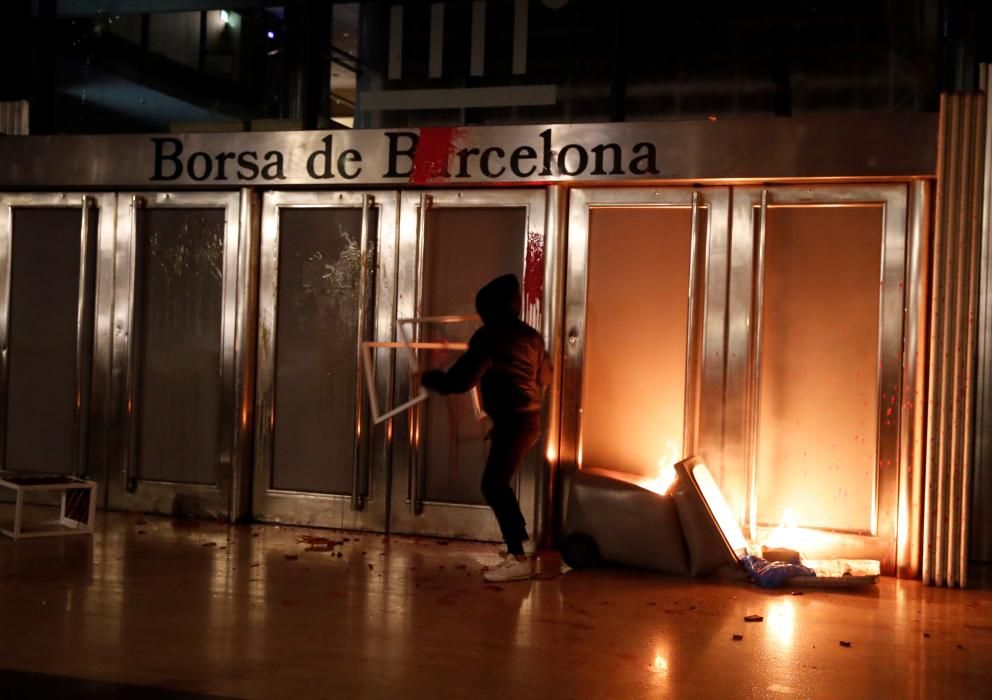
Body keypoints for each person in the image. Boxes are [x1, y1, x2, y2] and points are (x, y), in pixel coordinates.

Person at [421, 274, 552, 582]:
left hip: (515, 421)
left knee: (494, 485)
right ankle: (521, 542)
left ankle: (518, 557)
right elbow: (544, 376)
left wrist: (431, 379)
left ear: (489, 308)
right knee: (499, 482)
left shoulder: (489, 336)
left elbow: (462, 380)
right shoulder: (531, 335)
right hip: (526, 421)